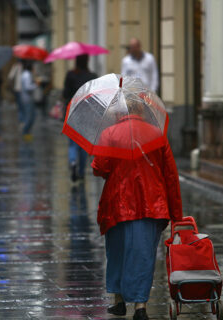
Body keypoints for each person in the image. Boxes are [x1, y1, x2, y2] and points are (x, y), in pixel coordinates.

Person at [91, 100, 182, 320]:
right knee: (143, 255)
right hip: (151, 202)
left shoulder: (110, 133)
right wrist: (176, 214)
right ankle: (140, 306)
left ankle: (119, 300)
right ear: (142, 110)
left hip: (117, 203)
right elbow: (170, 174)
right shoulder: (157, 134)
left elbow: (100, 168)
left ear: (119, 112)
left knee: (117, 251)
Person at [63, 54, 97, 182]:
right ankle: (82, 171)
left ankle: (72, 162)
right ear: (87, 61)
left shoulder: (70, 75)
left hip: (72, 111)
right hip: (87, 112)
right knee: (83, 143)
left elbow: (65, 93)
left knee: (72, 142)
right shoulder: (92, 76)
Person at [20, 60, 37, 141]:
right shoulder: (27, 75)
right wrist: (36, 85)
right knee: (30, 117)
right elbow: (28, 87)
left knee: (31, 116)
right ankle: (25, 132)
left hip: (27, 98)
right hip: (27, 99)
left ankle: (27, 132)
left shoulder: (26, 74)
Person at [7, 60, 24, 125]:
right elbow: (11, 77)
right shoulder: (18, 67)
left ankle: (22, 120)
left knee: (20, 106)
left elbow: (10, 77)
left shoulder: (16, 66)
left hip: (18, 89)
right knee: (21, 106)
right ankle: (21, 120)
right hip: (19, 89)